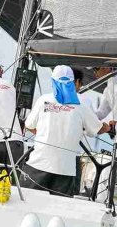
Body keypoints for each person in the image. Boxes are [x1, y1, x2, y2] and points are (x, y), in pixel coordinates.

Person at [22, 65, 110, 195]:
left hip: (38, 164)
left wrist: (43, 135)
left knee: (28, 201)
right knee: (60, 206)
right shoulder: (81, 104)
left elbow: (29, 125)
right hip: (66, 170)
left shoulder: (43, 100)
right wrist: (107, 127)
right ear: (73, 82)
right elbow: (98, 129)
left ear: (53, 81)